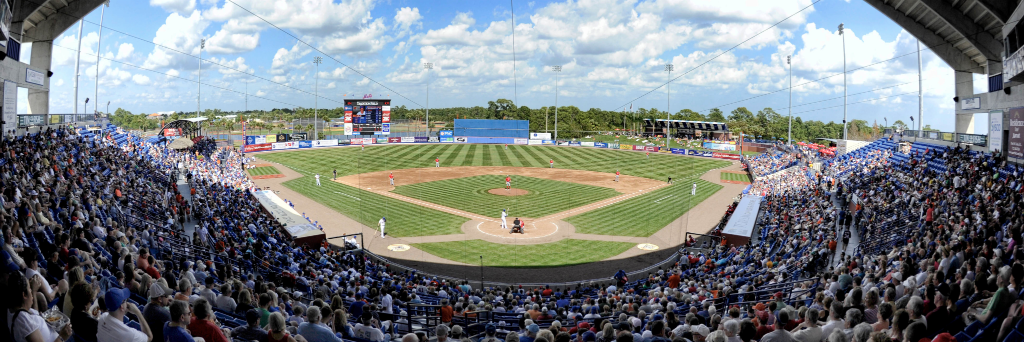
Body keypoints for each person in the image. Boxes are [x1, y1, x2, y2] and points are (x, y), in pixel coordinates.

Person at [7, 273, 74, 342]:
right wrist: (62, 337)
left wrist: (33, 291)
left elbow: (33, 318)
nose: (31, 291)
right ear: (24, 295)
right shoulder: (24, 320)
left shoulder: (15, 309)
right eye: (29, 288)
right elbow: (28, 324)